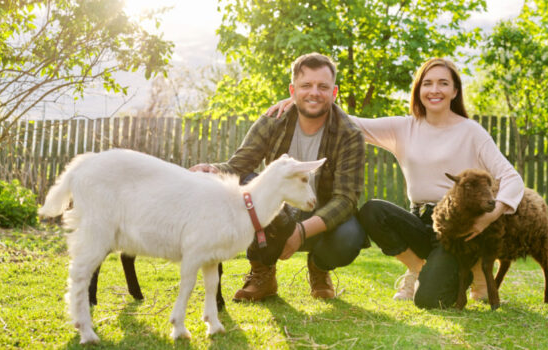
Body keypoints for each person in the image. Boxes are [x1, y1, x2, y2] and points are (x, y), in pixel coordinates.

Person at [267, 58, 524, 308]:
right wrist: (305, 101)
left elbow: (511, 177)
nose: (435, 90)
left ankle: (468, 269)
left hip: (456, 229)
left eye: (443, 84)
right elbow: (351, 123)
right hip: (420, 220)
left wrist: (491, 216)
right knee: (372, 211)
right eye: (428, 83)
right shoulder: (404, 127)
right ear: (419, 89)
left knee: (429, 301)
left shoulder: (472, 131)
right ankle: (417, 268)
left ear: (455, 90)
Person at [190, 53, 367, 301]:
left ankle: (319, 268)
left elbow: (346, 199)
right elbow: (240, 166)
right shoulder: (273, 120)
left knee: (350, 236)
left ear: (334, 92)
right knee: (245, 185)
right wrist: (211, 169)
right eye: (306, 86)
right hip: (278, 211)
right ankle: (262, 272)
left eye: (322, 87)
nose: (314, 92)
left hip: (318, 211)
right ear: (293, 90)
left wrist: (301, 232)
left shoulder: (349, 134)